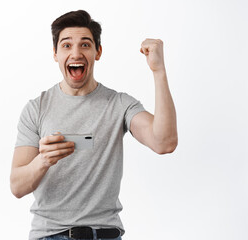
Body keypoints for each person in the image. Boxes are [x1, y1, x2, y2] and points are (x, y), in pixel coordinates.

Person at [10, 10, 177, 240]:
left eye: (85, 45)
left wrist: (159, 71)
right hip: (51, 235)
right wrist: (43, 160)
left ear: (98, 52)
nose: (76, 53)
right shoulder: (36, 108)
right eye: (66, 46)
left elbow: (164, 142)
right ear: (55, 54)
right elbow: (17, 186)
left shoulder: (119, 104)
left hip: (106, 234)